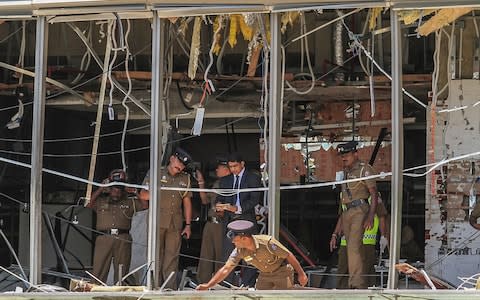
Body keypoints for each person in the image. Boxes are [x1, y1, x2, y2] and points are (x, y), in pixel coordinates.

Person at [196, 220, 308, 290]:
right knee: (259, 296)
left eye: (235, 240)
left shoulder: (267, 243)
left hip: (281, 272)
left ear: (244, 238)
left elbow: (288, 255)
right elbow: (226, 269)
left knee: (284, 298)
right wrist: (208, 285)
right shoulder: (239, 251)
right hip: (264, 275)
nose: (233, 242)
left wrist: (301, 274)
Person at [138, 148, 193, 289]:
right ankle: (154, 286)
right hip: (157, 221)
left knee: (172, 257)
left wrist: (188, 224)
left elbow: (187, 202)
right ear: (172, 159)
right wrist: (158, 191)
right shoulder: (156, 173)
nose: (180, 166)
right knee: (155, 255)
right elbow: (143, 195)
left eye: (183, 165)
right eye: (179, 162)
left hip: (175, 223)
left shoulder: (185, 178)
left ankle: (169, 288)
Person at [86, 169, 146, 284]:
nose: (116, 193)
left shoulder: (129, 202)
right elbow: (89, 205)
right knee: (99, 270)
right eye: (114, 189)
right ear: (110, 189)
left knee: (122, 271)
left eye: (119, 190)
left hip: (123, 238)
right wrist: (101, 188)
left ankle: (120, 293)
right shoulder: (101, 201)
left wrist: (135, 192)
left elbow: (144, 206)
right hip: (104, 238)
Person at [215, 152, 262, 287]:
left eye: (235, 166)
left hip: (246, 219)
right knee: (228, 254)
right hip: (230, 222)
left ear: (242, 164)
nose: (233, 169)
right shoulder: (225, 181)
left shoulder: (253, 178)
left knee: (249, 255)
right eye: (230, 167)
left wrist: (237, 208)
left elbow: (254, 199)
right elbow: (220, 198)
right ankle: (226, 285)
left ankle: (248, 285)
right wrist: (219, 206)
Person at [337, 140, 378, 289]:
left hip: (360, 210)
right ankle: (353, 282)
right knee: (351, 248)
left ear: (355, 153)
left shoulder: (364, 170)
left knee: (354, 247)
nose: (344, 157)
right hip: (347, 212)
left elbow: (373, 194)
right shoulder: (346, 173)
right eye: (342, 155)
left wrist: (370, 216)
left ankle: (357, 284)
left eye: (347, 154)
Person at [330, 200, 389, 288]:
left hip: (366, 242)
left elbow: (381, 215)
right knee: (343, 274)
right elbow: (342, 216)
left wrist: (383, 236)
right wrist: (334, 234)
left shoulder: (371, 194)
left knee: (363, 276)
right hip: (346, 242)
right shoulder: (343, 193)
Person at [196, 158, 231, 283]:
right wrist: (201, 182)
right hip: (210, 222)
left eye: (219, 167)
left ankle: (220, 282)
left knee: (220, 255)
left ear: (227, 169)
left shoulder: (231, 184)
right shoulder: (217, 183)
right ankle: (203, 281)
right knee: (206, 254)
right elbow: (205, 200)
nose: (217, 169)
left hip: (221, 224)